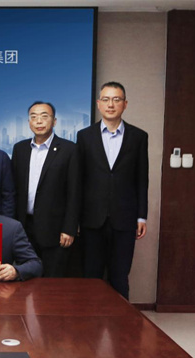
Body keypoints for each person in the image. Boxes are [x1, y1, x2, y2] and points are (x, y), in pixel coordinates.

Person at [77, 81, 148, 299]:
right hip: (91, 219)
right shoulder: (84, 136)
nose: (111, 105)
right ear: (99, 104)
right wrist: (75, 219)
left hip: (125, 218)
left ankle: (120, 320)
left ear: (125, 104)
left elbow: (142, 179)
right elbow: (79, 180)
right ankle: (90, 318)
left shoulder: (138, 137)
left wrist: (141, 216)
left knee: (120, 276)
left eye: (116, 100)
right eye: (106, 99)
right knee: (91, 275)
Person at [12, 102, 80, 277]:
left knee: (52, 282)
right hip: (24, 227)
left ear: (54, 121)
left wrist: (69, 228)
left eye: (44, 116)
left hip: (55, 229)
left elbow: (74, 192)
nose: (38, 121)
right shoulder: (20, 149)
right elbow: (14, 189)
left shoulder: (69, 149)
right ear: (29, 122)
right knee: (25, 278)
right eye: (33, 117)